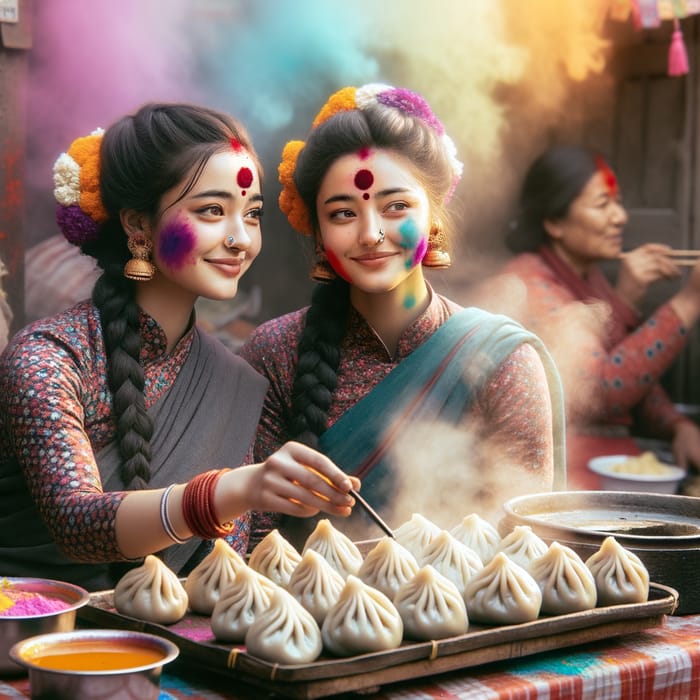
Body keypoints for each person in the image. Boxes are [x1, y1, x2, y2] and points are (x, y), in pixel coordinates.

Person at [0, 103, 359, 591]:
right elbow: (76, 523)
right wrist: (235, 488)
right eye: (212, 210)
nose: (240, 239)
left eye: (251, 214)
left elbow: (229, 569)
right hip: (37, 642)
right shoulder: (47, 359)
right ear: (138, 225)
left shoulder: (234, 379)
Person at [239, 84, 566, 547]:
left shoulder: (501, 360)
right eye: (342, 213)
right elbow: (250, 542)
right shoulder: (275, 352)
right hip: (301, 612)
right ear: (317, 233)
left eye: (396, 207)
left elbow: (523, 543)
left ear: (433, 216)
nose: (371, 234)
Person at [494, 144, 700, 487]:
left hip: (613, 465)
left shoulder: (590, 276)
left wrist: (677, 424)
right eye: (603, 205)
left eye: (617, 202)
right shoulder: (529, 283)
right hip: (566, 478)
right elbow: (602, 390)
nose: (620, 217)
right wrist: (689, 303)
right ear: (554, 222)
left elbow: (634, 377)